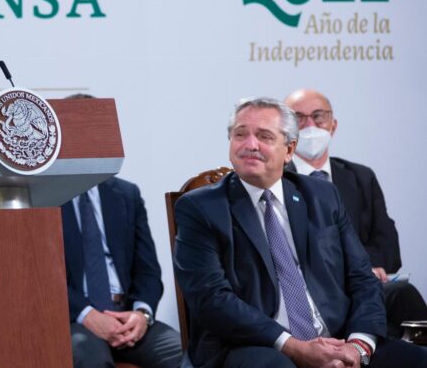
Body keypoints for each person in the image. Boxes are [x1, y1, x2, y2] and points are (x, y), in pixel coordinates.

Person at [173, 97, 427, 368]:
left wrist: (358, 346)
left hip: (337, 339)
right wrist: (294, 347)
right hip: (256, 345)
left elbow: (362, 278)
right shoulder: (200, 207)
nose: (250, 145)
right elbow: (211, 299)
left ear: (289, 149)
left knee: (416, 359)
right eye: (240, 135)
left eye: (264, 136)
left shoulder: (322, 195)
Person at [285, 88, 427, 338]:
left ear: (333, 125)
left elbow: (388, 246)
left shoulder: (360, 177)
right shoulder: (277, 180)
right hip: (312, 294)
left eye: (318, 116)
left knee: (404, 295)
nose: (310, 126)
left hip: (362, 286)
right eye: (299, 118)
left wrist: (364, 266)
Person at [61, 176, 183, 368]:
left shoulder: (127, 194)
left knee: (181, 354)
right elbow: (43, 277)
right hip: (77, 318)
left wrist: (142, 315)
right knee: (92, 360)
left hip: (126, 315)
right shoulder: (46, 195)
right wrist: (88, 315)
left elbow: (148, 270)